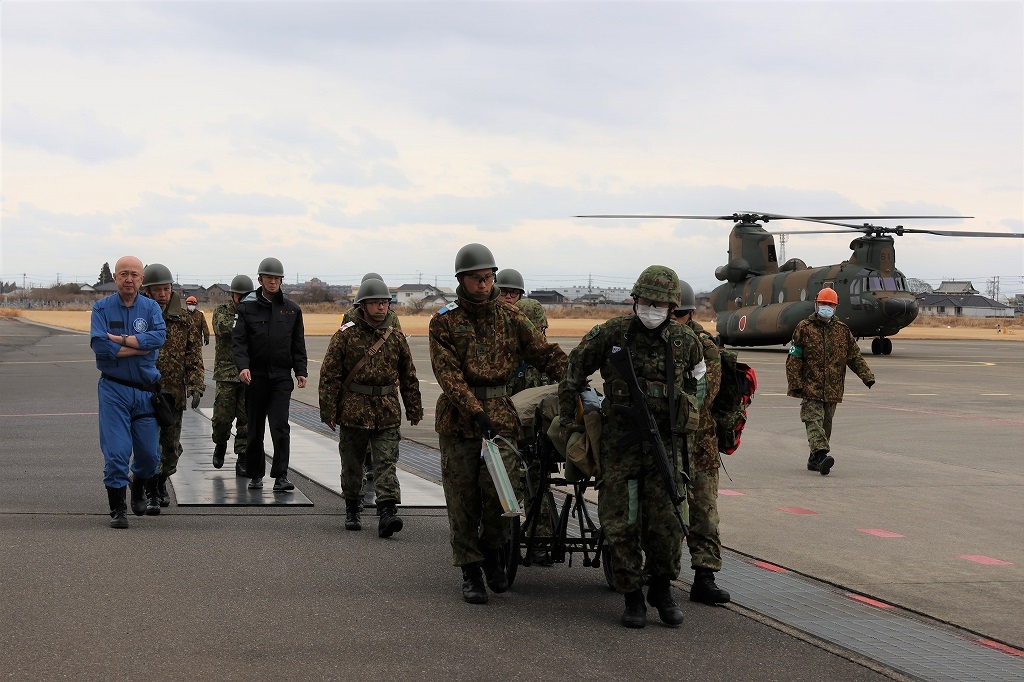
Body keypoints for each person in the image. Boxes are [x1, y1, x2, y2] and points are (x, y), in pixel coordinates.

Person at [558, 265, 706, 629]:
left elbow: (700, 385)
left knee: (668, 521)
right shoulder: (612, 334)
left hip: (666, 445)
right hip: (621, 443)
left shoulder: (685, 342)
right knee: (621, 522)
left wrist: (687, 413)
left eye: (660, 304)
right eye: (646, 301)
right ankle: (632, 595)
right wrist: (569, 419)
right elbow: (575, 367)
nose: (652, 309)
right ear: (635, 300)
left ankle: (661, 588)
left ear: (673, 307)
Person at [429, 243, 567, 605]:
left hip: (500, 419)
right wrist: (476, 413)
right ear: (462, 279)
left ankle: (492, 552)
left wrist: (575, 378)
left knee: (500, 497)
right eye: (477, 279)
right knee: (462, 500)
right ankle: (470, 571)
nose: (484, 285)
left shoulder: (511, 317)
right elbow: (448, 375)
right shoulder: (444, 320)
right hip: (460, 420)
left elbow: (543, 352)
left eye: (488, 278)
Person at [319, 277, 423, 537]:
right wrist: (328, 410)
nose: (381, 307)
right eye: (375, 303)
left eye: (385, 303)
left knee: (386, 461)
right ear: (363, 305)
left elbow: (408, 374)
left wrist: (414, 407)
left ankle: (387, 511)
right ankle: (352, 506)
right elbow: (330, 374)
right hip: (354, 408)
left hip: (387, 408)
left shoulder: (396, 337)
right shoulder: (346, 335)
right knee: (352, 462)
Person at [89, 255, 166, 528]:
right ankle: (118, 509)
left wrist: (119, 341)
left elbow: (157, 338)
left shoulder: (151, 308)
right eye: (123, 273)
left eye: (134, 274)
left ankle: (139, 484)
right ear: (115, 278)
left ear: (142, 279)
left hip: (145, 392)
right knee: (117, 452)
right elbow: (99, 344)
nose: (129, 279)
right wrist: (138, 346)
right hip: (114, 390)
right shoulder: (101, 308)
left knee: (148, 456)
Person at [671, 280, 730, 605]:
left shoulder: (705, 346)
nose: (674, 318)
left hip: (700, 444)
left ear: (691, 313)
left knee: (704, 511)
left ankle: (704, 577)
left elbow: (704, 393)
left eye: (680, 313)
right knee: (660, 511)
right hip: (662, 442)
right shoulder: (651, 341)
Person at [232, 257, 308, 492]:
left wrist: (301, 370)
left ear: (281, 280)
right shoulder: (247, 308)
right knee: (255, 429)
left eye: (277, 278)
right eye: (269, 278)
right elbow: (239, 342)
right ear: (260, 280)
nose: (273, 282)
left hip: (281, 377)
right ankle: (255, 474)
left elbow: (298, 342)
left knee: (280, 426)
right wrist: (243, 366)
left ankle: (281, 475)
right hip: (255, 377)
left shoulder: (292, 310)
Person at [786, 287, 875, 475]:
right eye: (823, 304)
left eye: (830, 305)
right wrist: (795, 383)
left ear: (836, 308)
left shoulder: (842, 331)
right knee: (813, 420)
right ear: (816, 304)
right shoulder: (804, 328)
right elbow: (794, 357)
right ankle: (820, 455)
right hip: (811, 386)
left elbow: (854, 356)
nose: (826, 308)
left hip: (833, 389)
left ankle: (814, 459)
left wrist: (867, 376)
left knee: (826, 423)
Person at [142, 264, 205, 510]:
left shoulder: (185, 320)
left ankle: (161, 480)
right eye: (157, 290)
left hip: (173, 392)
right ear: (147, 291)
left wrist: (197, 384)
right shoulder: (141, 316)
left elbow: (194, 355)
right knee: (148, 445)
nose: (162, 294)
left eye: (166, 289)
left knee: (170, 447)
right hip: (145, 391)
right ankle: (151, 492)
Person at [212, 274, 253, 475]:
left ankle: (242, 457)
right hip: (226, 372)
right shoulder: (222, 311)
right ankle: (220, 443)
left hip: (248, 373)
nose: (243, 300)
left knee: (246, 419)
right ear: (232, 296)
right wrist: (247, 325)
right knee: (221, 417)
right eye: (239, 296)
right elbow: (223, 328)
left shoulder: (255, 312)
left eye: (247, 296)